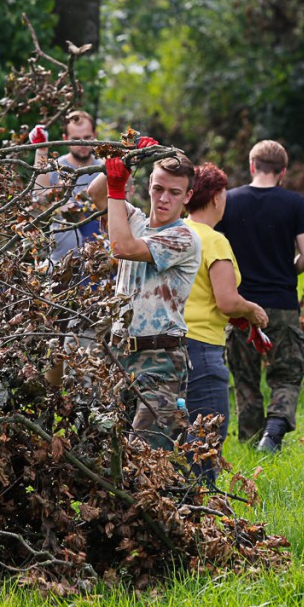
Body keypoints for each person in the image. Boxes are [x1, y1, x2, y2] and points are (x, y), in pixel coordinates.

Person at [87, 141, 201, 449]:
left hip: (160, 360)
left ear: (187, 197)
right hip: (121, 354)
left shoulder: (183, 237)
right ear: (149, 186)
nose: (164, 199)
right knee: (111, 453)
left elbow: (122, 247)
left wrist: (116, 187)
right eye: (158, 188)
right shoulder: (136, 221)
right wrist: (131, 154)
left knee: (148, 456)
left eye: (174, 193)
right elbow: (96, 194)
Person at [215, 140, 304, 452]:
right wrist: (287, 274)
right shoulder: (294, 203)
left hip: (241, 305)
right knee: (285, 374)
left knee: (244, 380)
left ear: (251, 166)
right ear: (283, 171)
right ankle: (272, 433)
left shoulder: (229, 201)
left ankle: (249, 442)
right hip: (282, 304)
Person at [182, 163, 269, 479]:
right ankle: (199, 508)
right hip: (203, 347)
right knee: (206, 435)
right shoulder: (214, 241)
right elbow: (227, 301)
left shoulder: (174, 232)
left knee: (177, 433)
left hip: (170, 344)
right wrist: (252, 311)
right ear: (217, 197)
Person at [31, 110, 103, 264]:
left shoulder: (104, 170)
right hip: (60, 264)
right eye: (76, 139)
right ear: (65, 139)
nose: (82, 144)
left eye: (87, 138)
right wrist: (41, 150)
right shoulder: (58, 168)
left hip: (99, 265)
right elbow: (39, 196)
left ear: (95, 134)